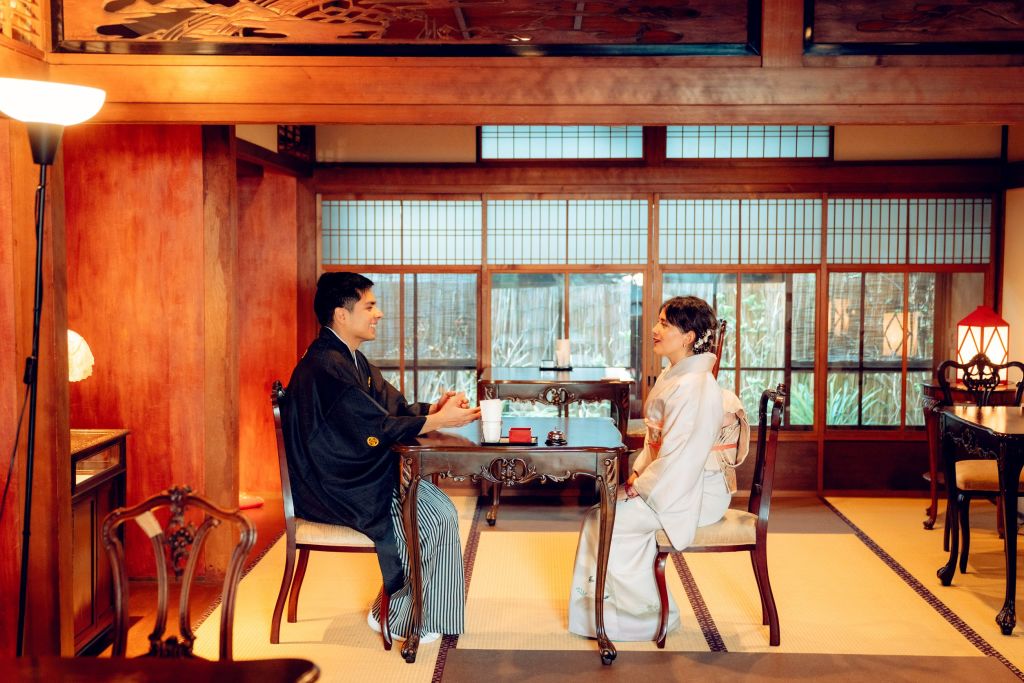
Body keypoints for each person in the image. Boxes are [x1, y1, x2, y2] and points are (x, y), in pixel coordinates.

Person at [282, 272, 480, 643]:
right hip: (333, 485)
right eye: (370, 306)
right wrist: (439, 421)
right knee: (432, 517)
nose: (379, 314)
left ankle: (410, 612)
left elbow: (391, 408)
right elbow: (374, 426)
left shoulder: (349, 360)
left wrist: (433, 409)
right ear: (342, 314)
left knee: (441, 510)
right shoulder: (325, 366)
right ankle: (400, 616)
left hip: (355, 475)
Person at [568, 295, 731, 641]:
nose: (654, 329)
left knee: (611, 520)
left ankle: (641, 618)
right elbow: (656, 445)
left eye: (664, 324)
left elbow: (681, 459)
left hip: (693, 490)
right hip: (671, 481)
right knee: (600, 514)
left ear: (688, 337)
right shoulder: (675, 375)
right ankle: (607, 614)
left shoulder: (696, 386)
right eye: (658, 321)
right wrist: (637, 476)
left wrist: (639, 488)